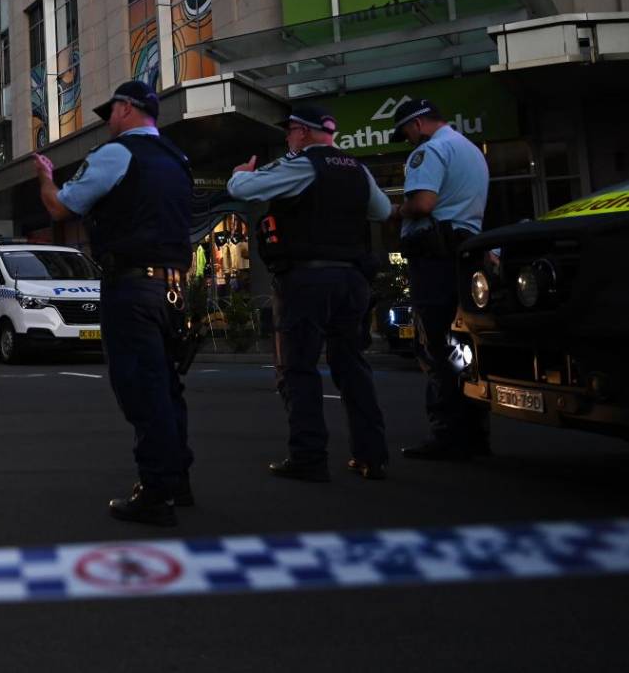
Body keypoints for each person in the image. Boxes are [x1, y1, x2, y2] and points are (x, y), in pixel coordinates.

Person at [36, 80, 194, 527]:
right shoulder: (177, 158)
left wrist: (46, 178)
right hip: (174, 287)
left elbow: (61, 209)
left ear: (127, 109)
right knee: (167, 385)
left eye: (111, 110)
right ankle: (177, 479)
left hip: (132, 286)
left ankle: (157, 491)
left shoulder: (118, 153)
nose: (108, 120)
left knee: (142, 387)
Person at [227, 106, 393, 482]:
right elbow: (382, 211)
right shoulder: (357, 169)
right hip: (352, 281)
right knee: (352, 365)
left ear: (302, 132)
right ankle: (373, 455)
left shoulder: (303, 165)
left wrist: (240, 176)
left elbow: (244, 191)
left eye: (289, 133)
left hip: (307, 279)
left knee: (299, 367)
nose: (288, 138)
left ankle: (308, 456)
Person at [388, 98, 491, 461]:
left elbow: (423, 204)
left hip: (434, 259)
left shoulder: (429, 152)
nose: (407, 140)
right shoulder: (470, 150)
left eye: (405, 133)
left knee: (436, 347)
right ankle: (475, 432)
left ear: (417, 125)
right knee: (465, 346)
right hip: (465, 255)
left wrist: (397, 210)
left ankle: (447, 433)